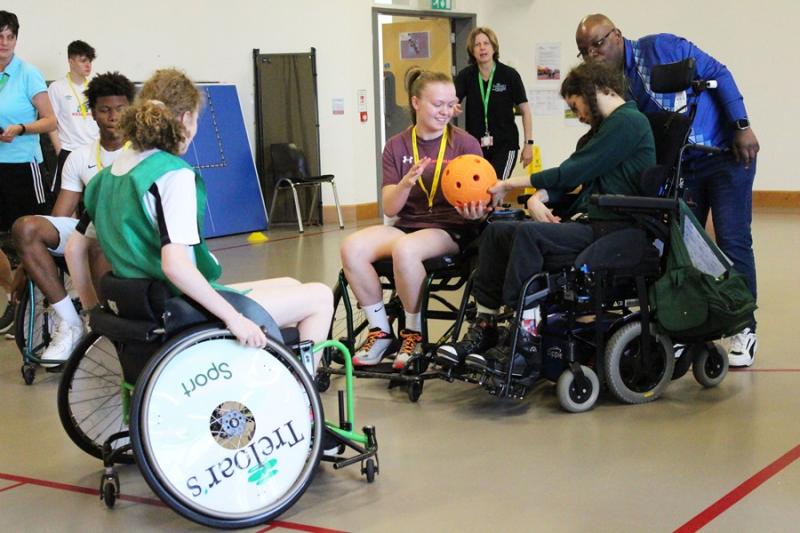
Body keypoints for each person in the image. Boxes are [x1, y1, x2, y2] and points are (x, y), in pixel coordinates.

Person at [65, 69, 332, 366]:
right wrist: (235, 319)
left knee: (291, 285)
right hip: (181, 310)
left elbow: (74, 248)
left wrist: (94, 310)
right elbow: (176, 266)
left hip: (137, 306)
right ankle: (297, 396)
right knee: (319, 296)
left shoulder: (105, 178)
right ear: (184, 119)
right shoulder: (171, 175)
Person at [436, 61, 656, 377]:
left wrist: (511, 183)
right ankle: (484, 326)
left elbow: (573, 171)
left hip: (614, 228)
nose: (577, 114)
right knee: (498, 231)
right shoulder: (601, 131)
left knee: (529, 236)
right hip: (587, 222)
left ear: (591, 91)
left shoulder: (629, 123)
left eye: (575, 105)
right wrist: (539, 196)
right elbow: (572, 181)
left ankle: (523, 341)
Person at [575, 14, 759, 367]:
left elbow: (718, 73)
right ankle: (690, 328)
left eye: (598, 43)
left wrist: (741, 126)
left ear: (617, 35)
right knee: (682, 250)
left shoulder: (660, 47)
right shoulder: (613, 86)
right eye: (584, 51)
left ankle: (743, 326)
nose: (592, 54)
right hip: (683, 166)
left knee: (732, 240)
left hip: (724, 156)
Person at [340, 69, 483, 370]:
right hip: (406, 225)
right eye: (437, 104)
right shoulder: (396, 145)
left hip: (448, 228)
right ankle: (379, 330)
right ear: (416, 103)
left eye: (451, 104)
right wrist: (406, 182)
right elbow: (391, 209)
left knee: (405, 250)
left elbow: (481, 199)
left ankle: (413, 333)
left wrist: (478, 211)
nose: (445, 111)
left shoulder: (465, 144)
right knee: (352, 247)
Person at [12, 72, 135, 365]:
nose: (113, 117)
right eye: (105, 110)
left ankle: (107, 320)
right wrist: (25, 263)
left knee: (97, 240)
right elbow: (60, 217)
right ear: (92, 113)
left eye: (120, 109)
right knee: (26, 227)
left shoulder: (144, 153)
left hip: (127, 237)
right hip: (88, 232)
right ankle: (70, 322)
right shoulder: (80, 157)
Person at [0, 10, 57, 233]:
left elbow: (51, 121)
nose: (4, 42)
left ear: (16, 39)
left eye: (10, 37)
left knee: (28, 231)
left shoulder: (28, 73)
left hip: (22, 166)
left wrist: (22, 129)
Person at [454, 27, 534, 180]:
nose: (482, 48)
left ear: (494, 47)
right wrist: (452, 108)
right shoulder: (466, 76)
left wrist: (528, 144)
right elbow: (451, 102)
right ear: (472, 50)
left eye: (486, 43)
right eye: (477, 44)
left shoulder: (509, 75)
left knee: (496, 187)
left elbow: (525, 111)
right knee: (477, 188)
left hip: (505, 144)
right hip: (476, 146)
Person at [47, 40, 99, 194]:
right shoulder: (57, 87)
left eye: (90, 60)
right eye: (83, 60)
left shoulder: (95, 87)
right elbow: (51, 122)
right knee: (66, 199)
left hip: (94, 150)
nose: (88, 65)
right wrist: (59, 150)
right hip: (69, 150)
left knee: (95, 197)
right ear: (70, 61)